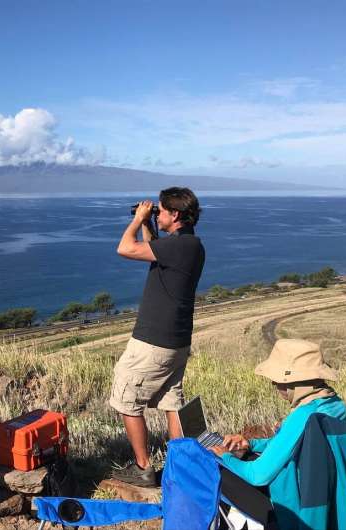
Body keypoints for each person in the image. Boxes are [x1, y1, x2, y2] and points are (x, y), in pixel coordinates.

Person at [109, 187, 205, 487]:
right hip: (176, 342)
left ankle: (143, 468)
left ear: (174, 215)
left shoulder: (179, 247)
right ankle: (181, 466)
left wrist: (138, 220)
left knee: (126, 397)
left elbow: (125, 248)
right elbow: (157, 250)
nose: (156, 214)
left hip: (154, 342)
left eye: (160, 211)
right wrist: (151, 225)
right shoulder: (189, 245)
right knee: (170, 401)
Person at [209, 339, 346, 530]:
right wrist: (251, 444)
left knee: (214, 471)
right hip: (328, 503)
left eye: (275, 381)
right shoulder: (336, 406)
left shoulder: (303, 417)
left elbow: (257, 475)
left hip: (292, 507)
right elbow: (295, 444)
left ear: (290, 383)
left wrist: (224, 456)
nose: (274, 385)